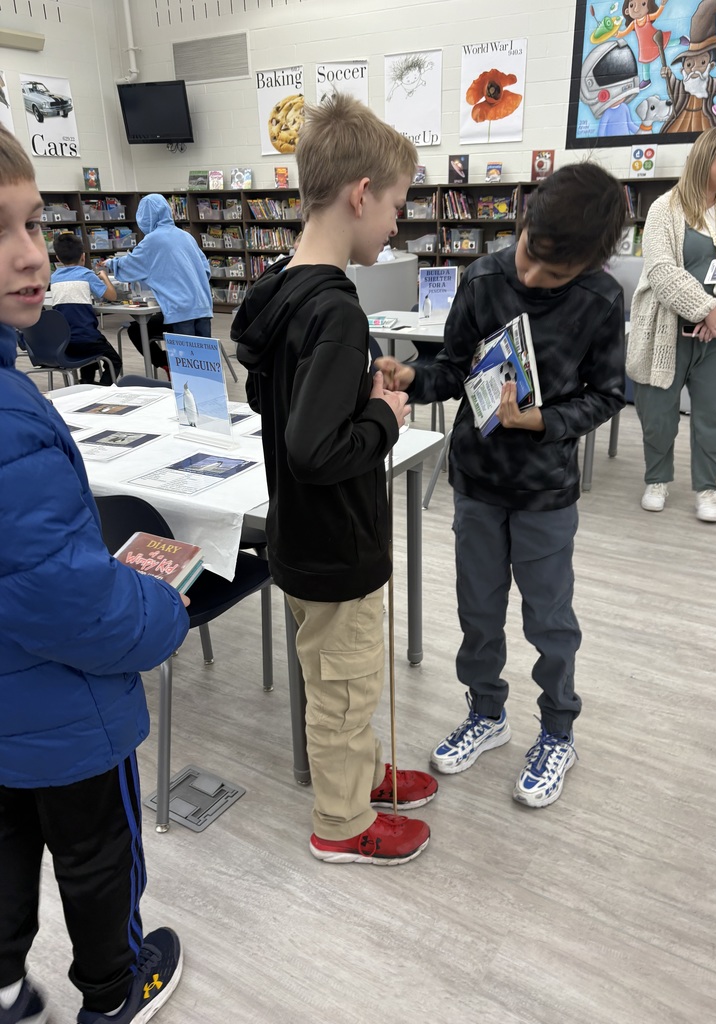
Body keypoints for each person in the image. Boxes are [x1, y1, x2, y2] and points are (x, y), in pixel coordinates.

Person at [0, 127, 190, 1024]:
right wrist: (163, 611)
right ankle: (116, 990)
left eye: (34, 223)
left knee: (4, 850)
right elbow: (66, 600)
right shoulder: (10, 421)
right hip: (65, 715)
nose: (32, 255)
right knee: (96, 856)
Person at [377, 163, 627, 808]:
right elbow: (452, 370)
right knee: (477, 612)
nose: (533, 277)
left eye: (555, 273)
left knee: (549, 619)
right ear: (523, 223)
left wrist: (542, 420)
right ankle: (487, 713)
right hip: (478, 480)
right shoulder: (483, 277)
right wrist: (411, 379)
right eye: (529, 255)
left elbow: (608, 394)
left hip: (544, 489)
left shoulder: (601, 300)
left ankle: (558, 730)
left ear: (591, 265)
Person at [232, 94, 437, 866]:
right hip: (337, 541)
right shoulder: (340, 312)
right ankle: (344, 823)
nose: (396, 225)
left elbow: (272, 397)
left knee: (339, 677)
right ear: (360, 194)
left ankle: (359, 773)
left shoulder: (282, 290)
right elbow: (317, 450)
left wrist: (356, 390)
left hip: (300, 536)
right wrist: (383, 412)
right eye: (395, 206)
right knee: (344, 685)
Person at [627, 125, 716, 522]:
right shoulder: (663, 208)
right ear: (706, 155)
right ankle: (657, 478)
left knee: (713, 419)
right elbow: (660, 269)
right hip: (667, 331)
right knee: (658, 415)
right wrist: (707, 309)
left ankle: (707, 488)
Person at [101, 194, 213, 374]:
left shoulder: (153, 240)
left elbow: (131, 265)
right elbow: (206, 270)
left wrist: (110, 264)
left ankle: (168, 367)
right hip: (202, 306)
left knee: (186, 366)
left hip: (180, 310)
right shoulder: (186, 236)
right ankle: (208, 395)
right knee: (203, 362)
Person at [50, 232, 123, 385]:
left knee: (90, 360)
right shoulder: (87, 274)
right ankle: (101, 390)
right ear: (83, 256)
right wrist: (104, 277)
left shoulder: (54, 277)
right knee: (115, 361)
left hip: (64, 343)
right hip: (88, 339)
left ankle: (86, 384)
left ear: (58, 258)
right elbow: (112, 296)